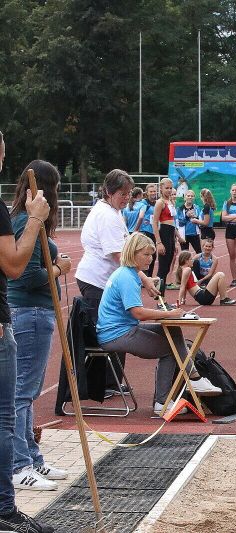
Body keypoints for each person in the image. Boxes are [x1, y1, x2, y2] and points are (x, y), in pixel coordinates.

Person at [96, 233, 222, 415]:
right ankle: (162, 403)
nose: (151, 259)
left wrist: (166, 313)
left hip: (122, 328)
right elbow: (138, 313)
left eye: (151, 255)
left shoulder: (128, 273)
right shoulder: (126, 277)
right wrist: (168, 313)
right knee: (169, 349)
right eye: (146, 255)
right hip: (116, 334)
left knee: (172, 331)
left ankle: (193, 377)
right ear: (133, 253)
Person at [0, 132, 56, 533]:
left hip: (18, 315)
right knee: (10, 408)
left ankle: (27, 460)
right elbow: (19, 267)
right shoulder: (18, 216)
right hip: (19, 315)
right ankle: (13, 485)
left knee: (20, 397)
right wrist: (37, 219)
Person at [8, 161, 70, 492]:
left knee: (27, 392)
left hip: (36, 313)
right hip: (30, 313)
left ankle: (31, 458)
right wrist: (59, 268)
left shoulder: (29, 222)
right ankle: (19, 466)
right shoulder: (24, 223)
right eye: (56, 188)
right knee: (22, 392)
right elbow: (29, 276)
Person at [75, 169, 159, 395]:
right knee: (113, 330)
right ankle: (103, 384)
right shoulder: (107, 215)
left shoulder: (113, 212)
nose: (126, 197)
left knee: (118, 324)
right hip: (97, 280)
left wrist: (144, 280)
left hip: (105, 280)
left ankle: (110, 383)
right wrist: (145, 279)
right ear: (109, 192)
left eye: (129, 193)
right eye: (122, 193)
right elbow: (121, 256)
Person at [152, 178, 178, 297]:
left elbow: (173, 222)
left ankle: (161, 298)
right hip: (164, 234)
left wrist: (175, 241)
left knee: (167, 268)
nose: (168, 190)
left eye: (170, 188)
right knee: (162, 269)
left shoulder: (171, 202)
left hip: (171, 235)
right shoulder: (160, 203)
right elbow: (155, 222)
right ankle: (159, 299)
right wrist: (159, 242)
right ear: (161, 188)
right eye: (166, 188)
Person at [134, 183, 158, 277]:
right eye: (151, 191)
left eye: (154, 191)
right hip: (145, 231)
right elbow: (137, 214)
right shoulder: (143, 203)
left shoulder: (158, 203)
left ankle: (149, 276)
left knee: (153, 255)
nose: (153, 193)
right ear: (147, 193)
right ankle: (140, 275)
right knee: (143, 254)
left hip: (155, 231)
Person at [177, 189, 202, 254]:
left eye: (192, 196)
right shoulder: (180, 209)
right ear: (185, 197)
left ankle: (197, 264)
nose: (190, 197)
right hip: (184, 235)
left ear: (194, 197)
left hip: (195, 234)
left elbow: (200, 219)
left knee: (199, 252)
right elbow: (180, 223)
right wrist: (187, 216)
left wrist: (196, 218)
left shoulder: (196, 207)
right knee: (185, 255)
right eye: (188, 196)